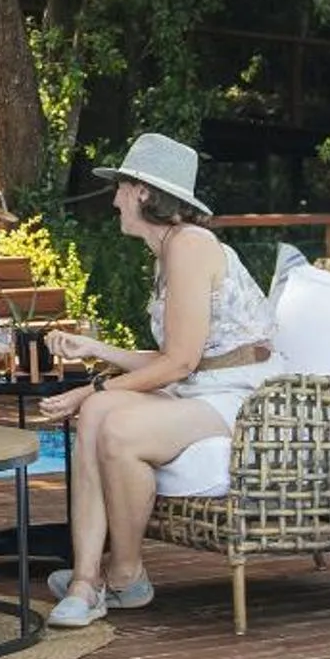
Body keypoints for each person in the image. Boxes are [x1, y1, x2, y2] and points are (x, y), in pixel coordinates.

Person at [34, 132, 279, 629]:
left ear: (143, 192)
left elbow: (182, 363)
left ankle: (125, 576)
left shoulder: (190, 246)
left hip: (245, 394)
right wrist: (97, 351)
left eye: (121, 187)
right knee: (96, 415)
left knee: (117, 427)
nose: (115, 199)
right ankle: (85, 580)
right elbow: (181, 356)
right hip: (205, 384)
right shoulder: (167, 251)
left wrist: (91, 387)